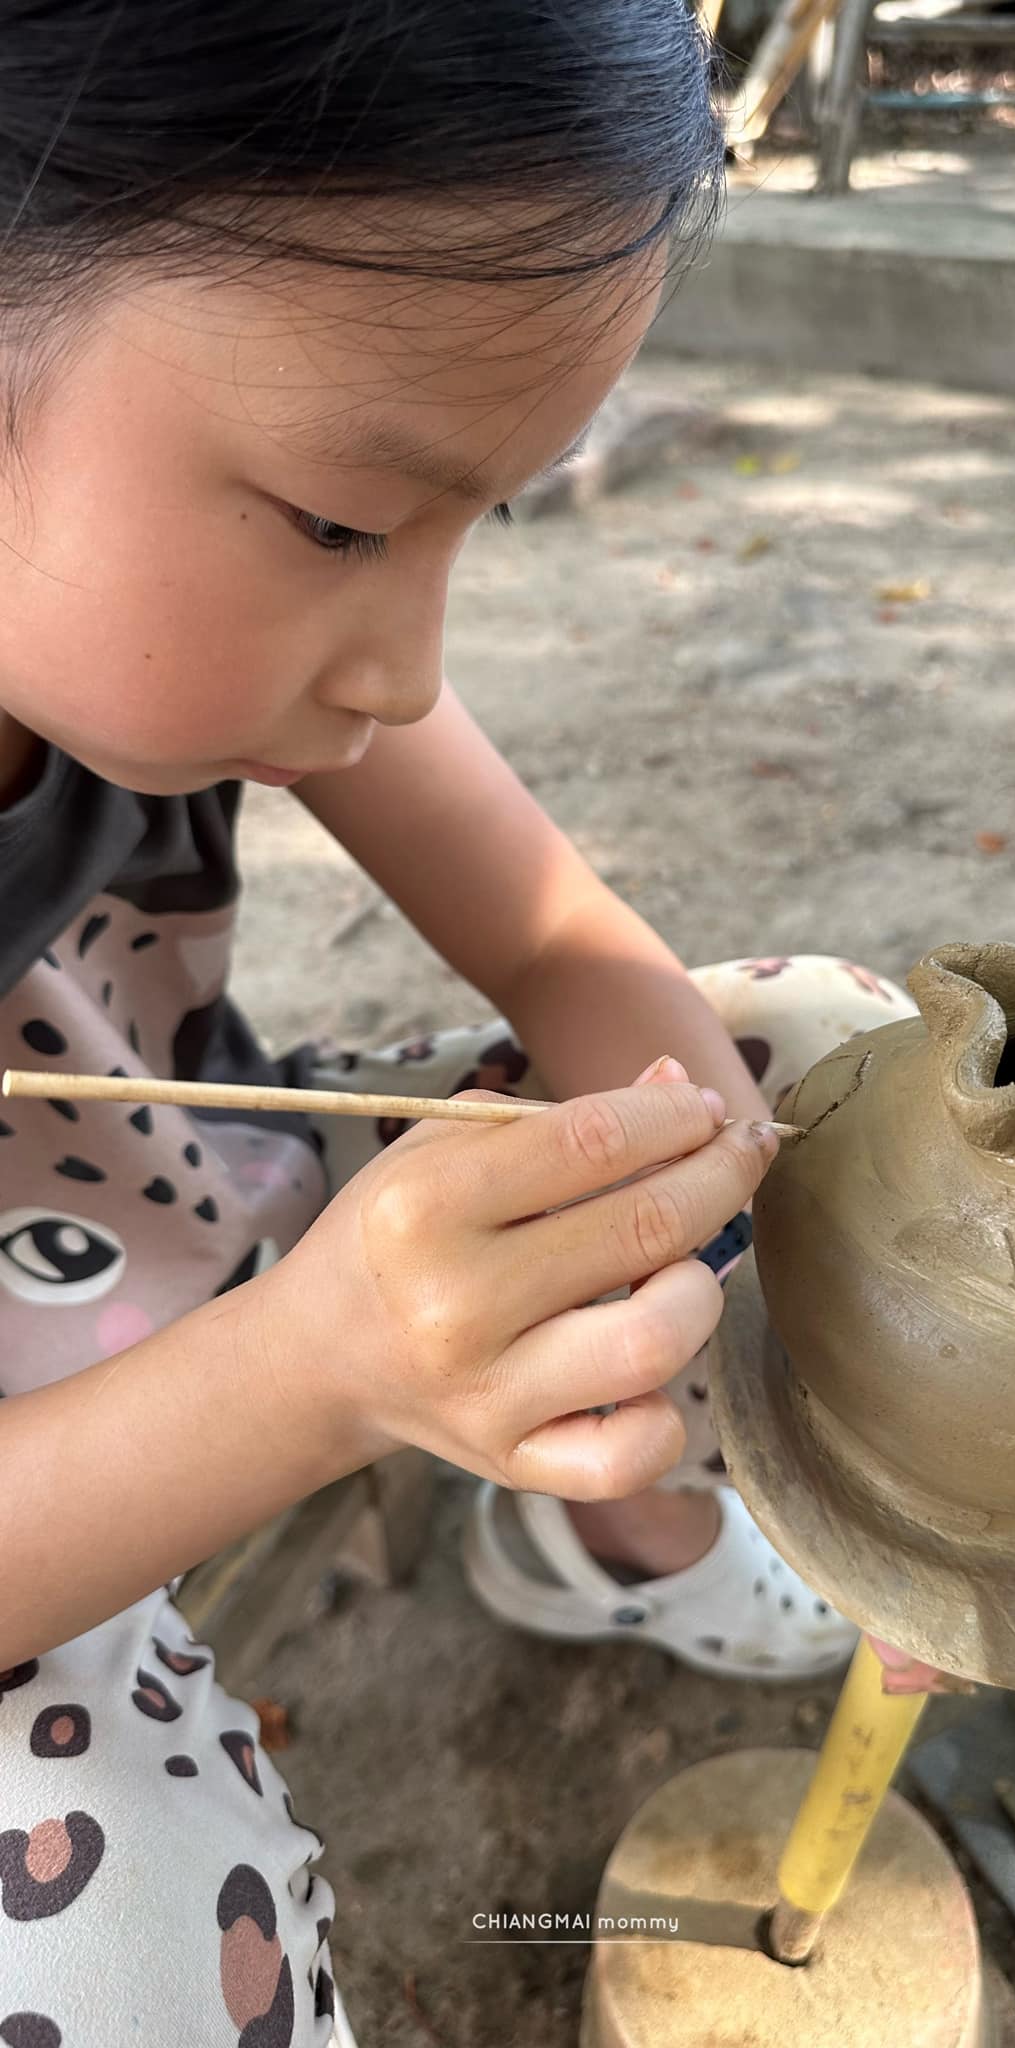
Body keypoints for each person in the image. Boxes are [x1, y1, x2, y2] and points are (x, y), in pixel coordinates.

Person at [0, 3, 935, 2040]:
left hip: (206, 1209)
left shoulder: (217, 645)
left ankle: (614, 1532)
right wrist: (314, 1378)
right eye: (349, 522)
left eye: (479, 519)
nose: (410, 674)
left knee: (820, 1062)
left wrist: (712, 1194)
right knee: (114, 1955)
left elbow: (568, 943)